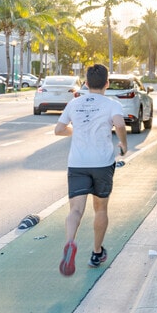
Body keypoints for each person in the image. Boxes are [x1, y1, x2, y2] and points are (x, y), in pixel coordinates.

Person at [55, 64, 127, 276]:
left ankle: (70, 242)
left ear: (85, 83)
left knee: (75, 210)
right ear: (107, 83)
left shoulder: (74, 103)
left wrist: (75, 132)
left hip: (77, 163)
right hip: (102, 164)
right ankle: (96, 252)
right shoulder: (111, 104)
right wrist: (124, 144)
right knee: (101, 209)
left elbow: (59, 130)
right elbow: (120, 125)